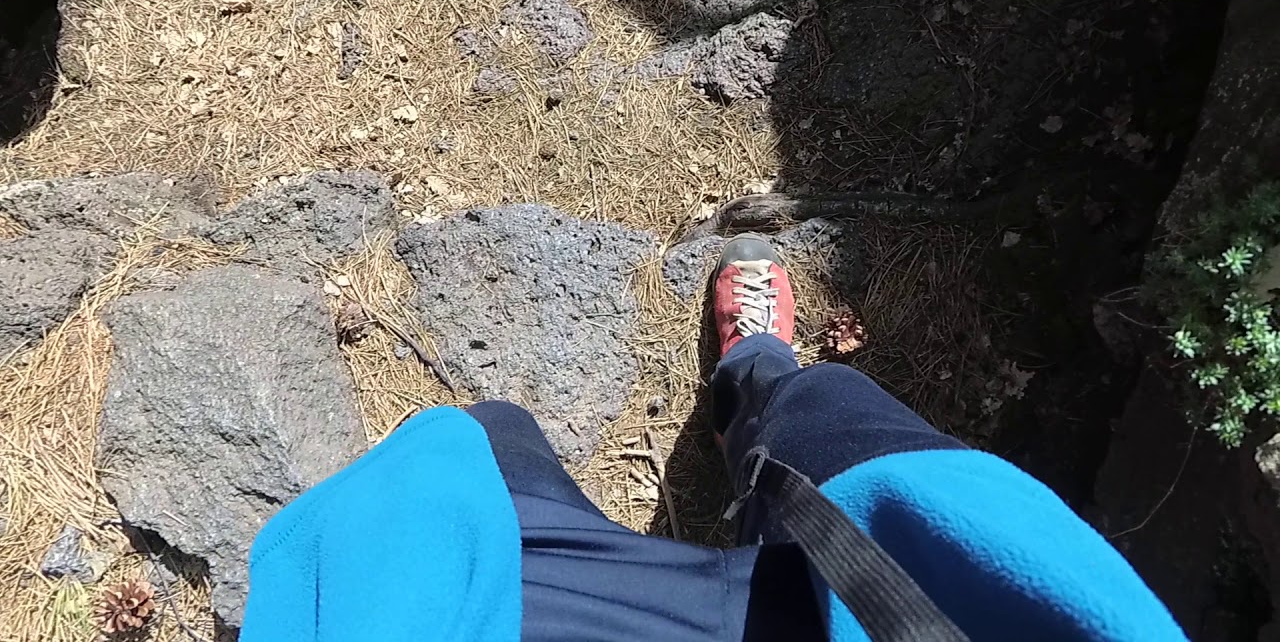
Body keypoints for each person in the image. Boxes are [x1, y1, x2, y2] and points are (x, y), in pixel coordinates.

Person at [239, 234, 1186, 641]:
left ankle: (760, 409)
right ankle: (756, 380)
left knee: (489, 444)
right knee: (828, 414)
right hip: (911, 603)